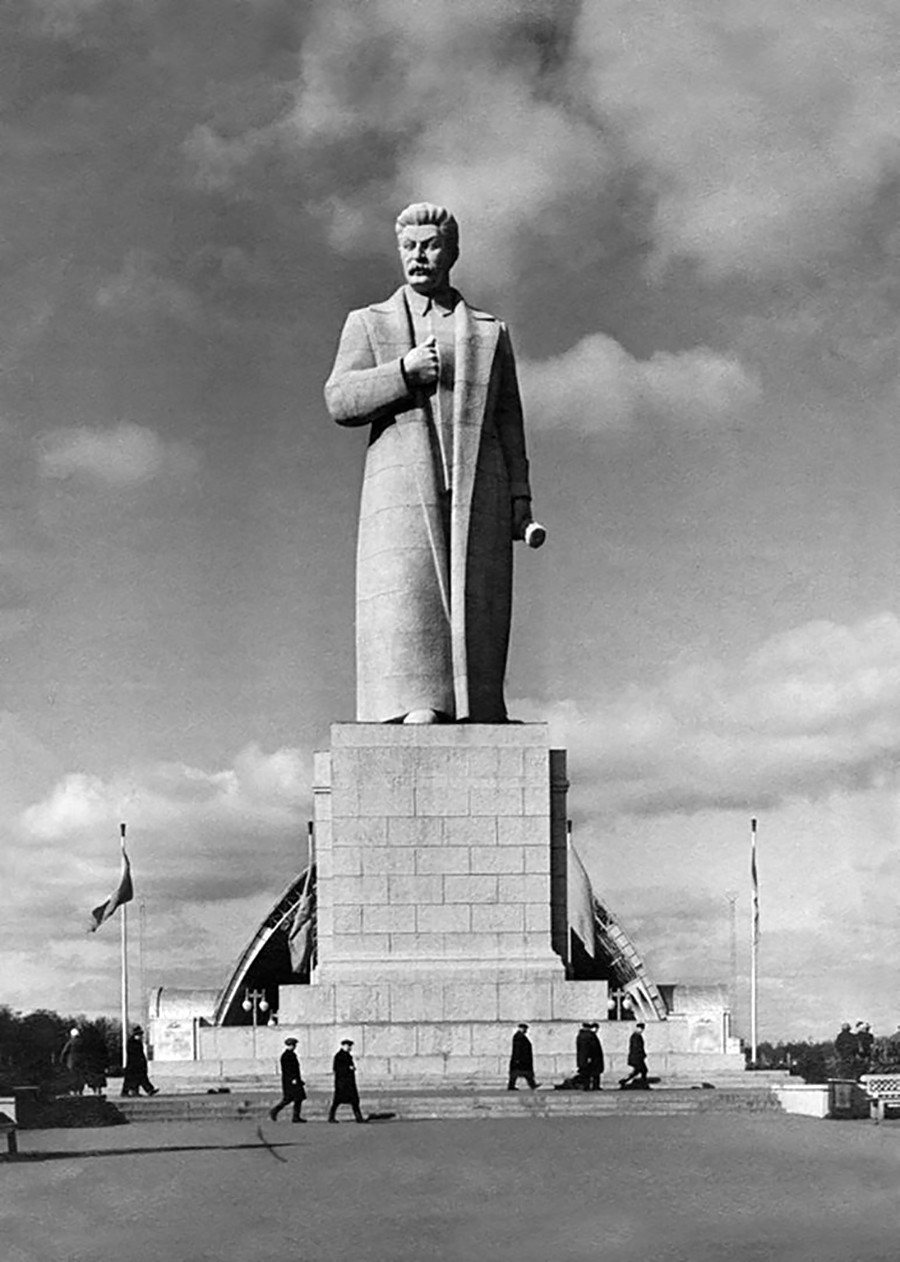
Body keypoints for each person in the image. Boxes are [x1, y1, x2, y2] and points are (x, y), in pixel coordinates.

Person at [324, 201, 543, 725]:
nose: (418, 256)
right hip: (402, 480)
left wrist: (520, 496)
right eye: (409, 247)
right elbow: (339, 399)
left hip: (478, 478)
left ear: (452, 252)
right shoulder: (368, 322)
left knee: (479, 596)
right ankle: (411, 701)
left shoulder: (489, 331)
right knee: (409, 590)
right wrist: (403, 372)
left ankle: (477, 707)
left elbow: (509, 422)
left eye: (430, 246)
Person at [269, 1037, 306, 1123]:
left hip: (294, 1080)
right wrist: (293, 1079)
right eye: (293, 1045)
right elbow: (288, 1070)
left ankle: (296, 1116)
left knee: (298, 1098)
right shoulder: (287, 1056)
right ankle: (275, 1111)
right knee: (290, 1099)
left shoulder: (291, 1055)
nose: (294, 1047)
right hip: (291, 1081)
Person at [328, 1039, 366, 1123]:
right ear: (343, 1046)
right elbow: (337, 1069)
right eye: (347, 1046)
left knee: (355, 1101)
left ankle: (359, 1118)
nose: (349, 1048)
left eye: (350, 1046)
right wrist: (349, 1068)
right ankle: (331, 1117)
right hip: (342, 1083)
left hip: (349, 1083)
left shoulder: (348, 1056)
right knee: (337, 1101)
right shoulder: (339, 1056)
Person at [121, 1025, 158, 1097]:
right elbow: (134, 1054)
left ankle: (147, 1090)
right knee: (131, 1079)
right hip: (133, 1065)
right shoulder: (132, 1043)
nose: (141, 1037)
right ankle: (126, 1092)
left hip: (138, 1064)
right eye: (140, 1035)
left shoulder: (137, 1043)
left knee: (141, 1078)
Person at [507, 1023, 539, 1091]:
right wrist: (517, 1059)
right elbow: (517, 1049)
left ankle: (532, 1085)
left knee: (520, 1073)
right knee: (522, 1073)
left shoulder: (519, 1036)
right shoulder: (519, 1037)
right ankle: (532, 1085)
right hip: (521, 1059)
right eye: (525, 1029)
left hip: (522, 1059)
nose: (526, 1031)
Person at [620, 1023, 649, 1090]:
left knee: (638, 1071)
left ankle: (624, 1081)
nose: (641, 1030)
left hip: (637, 1057)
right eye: (640, 1029)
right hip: (637, 1057)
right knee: (644, 1070)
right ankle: (644, 1085)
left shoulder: (636, 1036)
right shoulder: (636, 1036)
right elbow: (637, 1048)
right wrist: (641, 1055)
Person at [60, 1027, 85, 1095]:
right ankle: (80, 1091)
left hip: (71, 1063)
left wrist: (62, 1061)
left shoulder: (70, 1042)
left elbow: (64, 1052)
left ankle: (74, 1091)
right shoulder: (83, 1042)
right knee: (80, 1077)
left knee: (72, 1077)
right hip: (81, 1062)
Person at [574, 1022, 593, 1090]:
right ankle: (586, 1086)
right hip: (586, 1057)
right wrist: (589, 1057)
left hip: (582, 1058)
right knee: (586, 1073)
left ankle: (585, 1085)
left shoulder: (580, 1035)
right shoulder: (587, 1036)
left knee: (584, 1072)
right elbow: (589, 1048)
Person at [587, 1022, 605, 1091]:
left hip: (595, 1058)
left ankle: (595, 1085)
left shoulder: (592, 1036)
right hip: (594, 1058)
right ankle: (595, 1085)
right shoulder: (591, 1036)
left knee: (596, 1072)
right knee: (595, 1073)